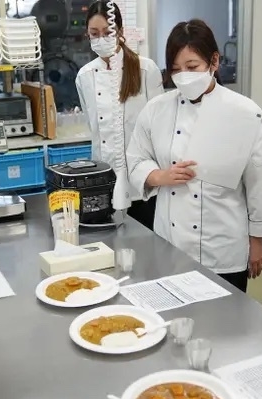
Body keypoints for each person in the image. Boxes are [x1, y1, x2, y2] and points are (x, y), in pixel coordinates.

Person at [126, 19, 262, 292]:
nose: (183, 75)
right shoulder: (156, 109)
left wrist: (257, 241)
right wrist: (159, 176)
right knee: (173, 311)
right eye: (176, 69)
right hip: (170, 239)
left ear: (214, 61)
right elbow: (136, 158)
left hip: (222, 244)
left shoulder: (245, 113)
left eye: (192, 67)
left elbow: (261, 182)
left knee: (225, 315)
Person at [76, 0, 164, 230]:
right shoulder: (84, 76)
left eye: (108, 33)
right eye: (94, 34)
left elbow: (160, 127)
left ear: (120, 31)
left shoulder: (145, 70)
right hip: (102, 180)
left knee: (146, 244)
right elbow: (93, 126)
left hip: (142, 183)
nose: (101, 39)